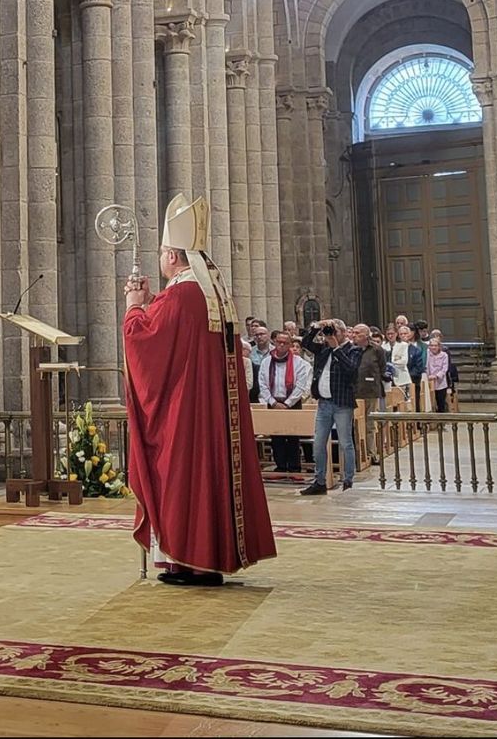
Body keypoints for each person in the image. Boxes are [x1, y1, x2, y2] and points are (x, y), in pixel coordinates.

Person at [121, 194, 276, 586]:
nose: (160, 259)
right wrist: (152, 302)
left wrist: (134, 307)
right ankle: (206, 559)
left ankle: (193, 561)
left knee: (184, 478)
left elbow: (146, 345)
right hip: (213, 411)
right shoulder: (211, 293)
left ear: (173, 256)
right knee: (210, 477)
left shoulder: (180, 295)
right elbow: (180, 336)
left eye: (162, 253)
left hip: (185, 413)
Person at [299, 320, 364, 496]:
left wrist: (336, 348)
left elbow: (351, 369)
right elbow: (305, 343)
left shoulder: (354, 350)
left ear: (343, 332)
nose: (331, 335)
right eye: (330, 332)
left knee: (345, 442)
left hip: (342, 403)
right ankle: (319, 481)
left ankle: (348, 480)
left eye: (335, 332)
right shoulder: (323, 348)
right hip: (324, 403)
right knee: (318, 443)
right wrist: (316, 327)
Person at [257, 331, 311, 473]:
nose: (281, 345)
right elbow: (262, 384)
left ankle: (294, 467)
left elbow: (300, 385)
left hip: (292, 403)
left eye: (285, 343)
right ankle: (280, 466)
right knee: (276, 436)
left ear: (289, 345)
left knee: (293, 436)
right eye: (279, 342)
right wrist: (273, 402)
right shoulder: (266, 361)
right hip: (273, 402)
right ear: (274, 342)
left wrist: (288, 403)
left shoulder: (298, 362)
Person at [427, 332, 451, 412]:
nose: (433, 347)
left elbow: (445, 368)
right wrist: (428, 376)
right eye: (431, 345)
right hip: (429, 381)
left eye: (435, 345)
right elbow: (426, 366)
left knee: (441, 403)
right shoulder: (427, 353)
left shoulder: (444, 355)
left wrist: (437, 376)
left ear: (439, 346)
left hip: (441, 383)